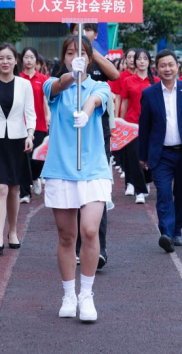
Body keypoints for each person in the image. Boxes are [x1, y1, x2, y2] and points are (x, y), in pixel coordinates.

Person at [42, 35, 112, 322]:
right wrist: (72, 75)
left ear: (90, 58)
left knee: (90, 231)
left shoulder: (100, 86)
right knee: (67, 235)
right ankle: (69, 294)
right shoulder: (53, 84)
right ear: (64, 57)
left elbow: (96, 100)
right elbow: (57, 86)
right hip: (61, 168)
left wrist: (86, 111)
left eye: (81, 53)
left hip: (93, 169)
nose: (75, 57)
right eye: (70, 53)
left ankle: (87, 295)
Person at [138, 50, 182, 252]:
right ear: (157, 69)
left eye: (170, 65)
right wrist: (142, 155)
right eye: (163, 66)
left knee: (181, 194)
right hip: (161, 154)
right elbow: (144, 127)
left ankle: (177, 230)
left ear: (177, 67)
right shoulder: (149, 93)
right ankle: (166, 234)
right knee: (163, 193)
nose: (167, 69)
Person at [68, 24, 120, 269]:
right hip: (71, 132)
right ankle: (77, 247)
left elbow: (115, 76)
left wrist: (91, 52)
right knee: (75, 189)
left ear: (96, 33)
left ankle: (99, 248)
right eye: (78, 27)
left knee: (97, 189)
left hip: (98, 131)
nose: (83, 31)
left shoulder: (98, 59)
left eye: (88, 28)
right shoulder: (67, 60)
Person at [0, 43, 36, 254]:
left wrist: (30, 135)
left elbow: (30, 113)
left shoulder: (24, 85)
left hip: (18, 140)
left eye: (9, 58)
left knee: (14, 189)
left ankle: (13, 231)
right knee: (0, 188)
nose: (5, 62)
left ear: (15, 60)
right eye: (1, 58)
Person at [119, 49, 158, 204]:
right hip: (132, 124)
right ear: (134, 62)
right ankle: (139, 190)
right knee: (135, 158)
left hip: (152, 125)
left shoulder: (156, 81)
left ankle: (146, 181)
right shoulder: (128, 81)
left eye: (145, 58)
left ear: (149, 62)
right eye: (139, 59)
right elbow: (124, 103)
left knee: (150, 156)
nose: (142, 61)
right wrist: (121, 123)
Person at [19, 46, 50, 204]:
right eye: (26, 57)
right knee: (23, 158)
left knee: (37, 158)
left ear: (36, 60)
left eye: (32, 57)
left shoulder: (43, 79)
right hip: (21, 124)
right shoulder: (18, 78)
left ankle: (36, 176)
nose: (29, 60)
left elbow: (46, 100)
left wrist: (48, 116)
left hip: (39, 123)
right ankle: (24, 193)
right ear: (22, 60)